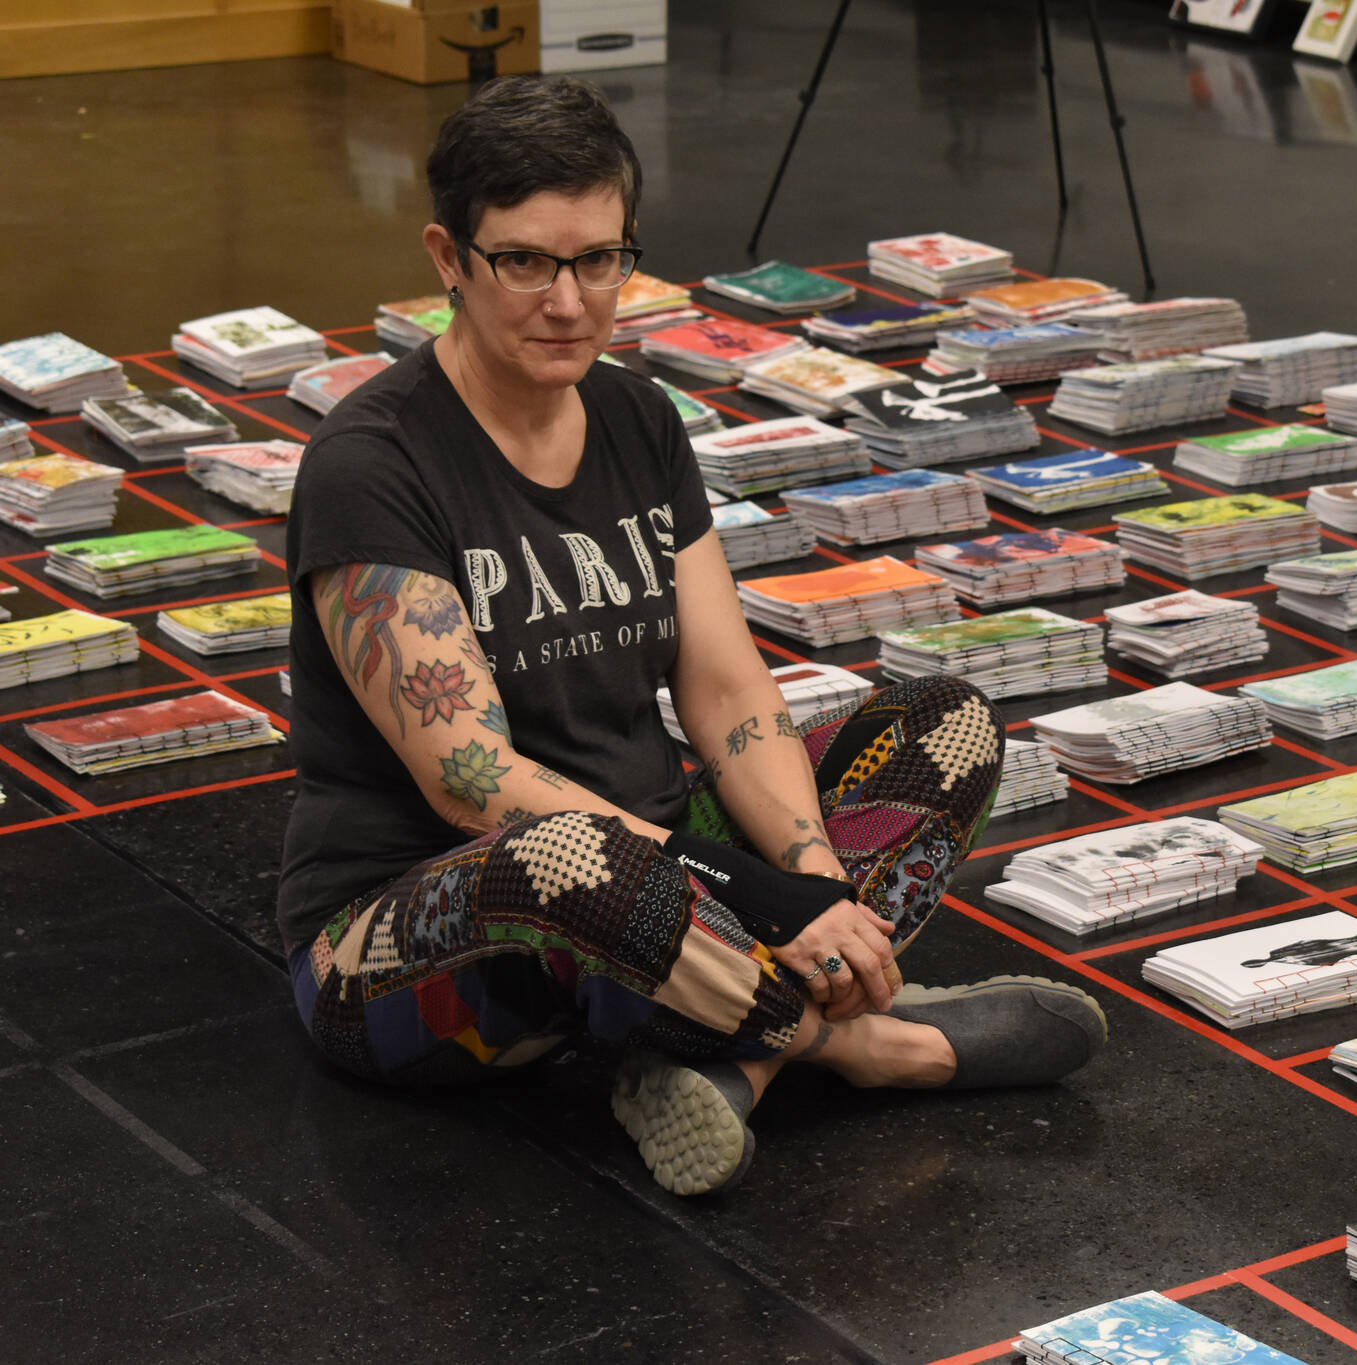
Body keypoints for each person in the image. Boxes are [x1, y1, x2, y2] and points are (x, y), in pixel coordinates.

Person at [278, 75, 1106, 1196]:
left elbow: (723, 691)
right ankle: (858, 1044)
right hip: (414, 937)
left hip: (669, 881)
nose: (567, 301)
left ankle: (729, 1062)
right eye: (524, 261)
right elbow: (472, 782)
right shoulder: (371, 466)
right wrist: (765, 903)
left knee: (941, 723)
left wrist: (816, 876)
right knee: (574, 859)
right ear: (448, 257)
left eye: (599, 260)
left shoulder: (635, 416)